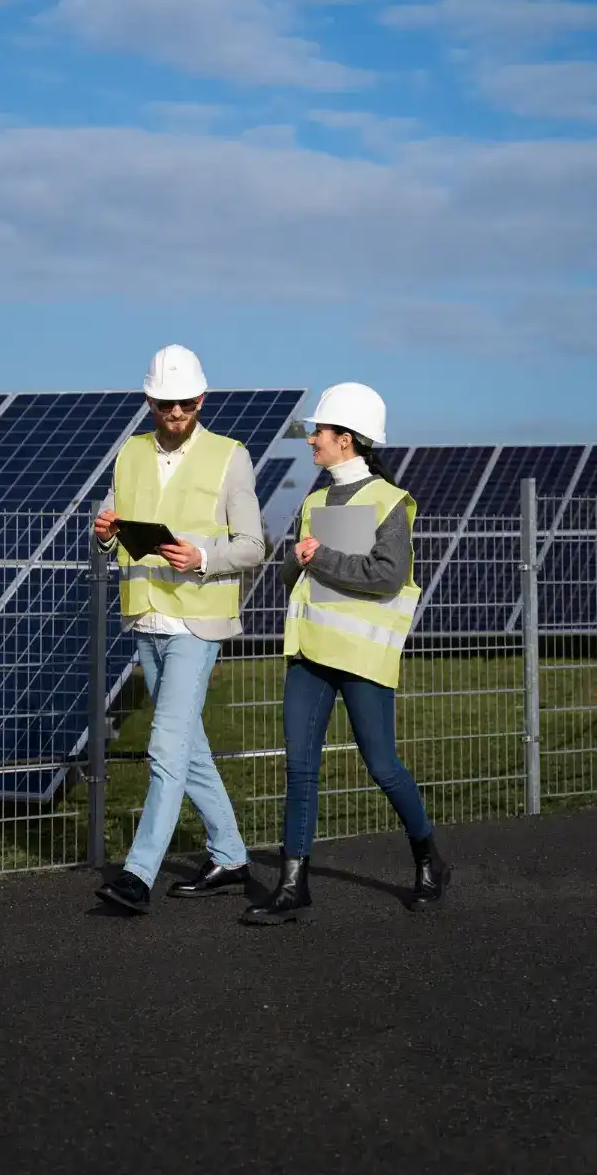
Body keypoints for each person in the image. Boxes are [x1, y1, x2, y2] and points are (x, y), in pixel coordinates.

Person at [242, 382, 450, 926]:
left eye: (321, 431)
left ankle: (429, 858)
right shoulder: (313, 501)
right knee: (301, 768)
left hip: (361, 657)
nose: (312, 439)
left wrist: (321, 556)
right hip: (309, 653)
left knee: (383, 766)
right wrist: (296, 560)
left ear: (348, 440)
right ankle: (293, 884)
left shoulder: (388, 501)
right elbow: (301, 577)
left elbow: (386, 577)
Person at [93, 345, 268, 914]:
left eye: (186, 402)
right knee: (188, 747)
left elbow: (252, 546)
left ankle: (137, 875)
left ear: (201, 398)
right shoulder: (130, 454)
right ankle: (232, 855)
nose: (176, 411)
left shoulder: (230, 456)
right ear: (150, 400)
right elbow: (114, 524)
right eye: (166, 402)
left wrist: (201, 557)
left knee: (164, 747)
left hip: (197, 620)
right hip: (145, 614)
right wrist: (102, 533)